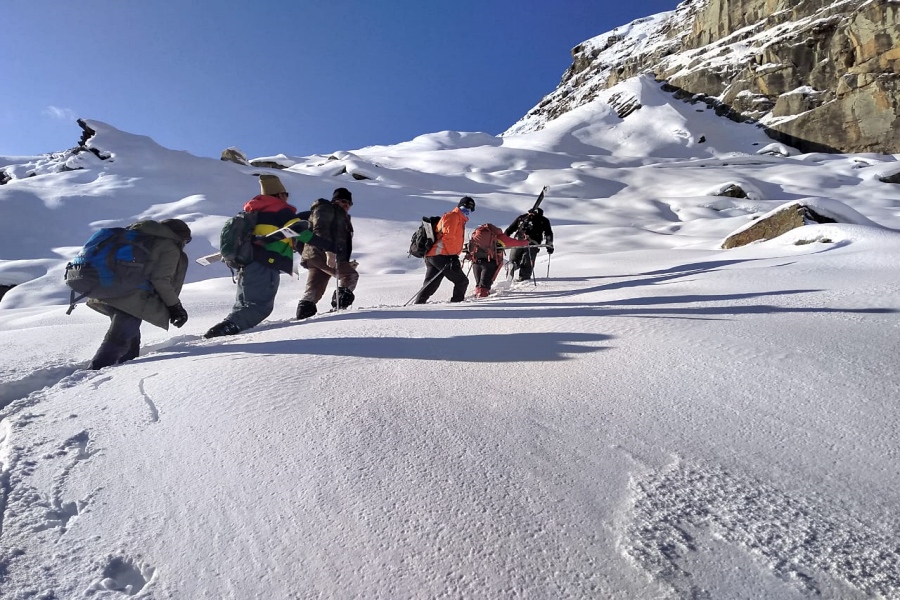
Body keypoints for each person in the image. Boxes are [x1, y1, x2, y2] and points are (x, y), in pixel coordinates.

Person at [87, 218, 192, 369]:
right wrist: (175, 307)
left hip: (107, 290)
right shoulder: (169, 246)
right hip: (132, 298)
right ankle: (92, 377)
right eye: (186, 241)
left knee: (130, 337)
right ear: (180, 236)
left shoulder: (140, 236)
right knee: (119, 339)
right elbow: (160, 280)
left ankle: (126, 371)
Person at [205, 174, 299, 338]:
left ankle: (226, 330)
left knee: (244, 304)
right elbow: (301, 231)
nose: (287, 198)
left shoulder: (254, 210)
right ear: (280, 194)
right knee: (259, 306)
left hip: (247, 264)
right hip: (266, 264)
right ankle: (222, 331)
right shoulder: (282, 210)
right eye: (286, 194)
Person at [295, 187, 359, 319]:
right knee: (350, 276)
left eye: (349, 203)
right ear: (335, 201)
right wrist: (329, 252)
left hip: (316, 255)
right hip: (324, 253)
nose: (346, 205)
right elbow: (320, 229)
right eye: (343, 201)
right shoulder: (326, 209)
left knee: (315, 287)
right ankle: (339, 307)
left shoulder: (341, 216)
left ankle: (304, 314)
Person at [413, 196, 475, 304]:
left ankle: (418, 304)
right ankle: (456, 305)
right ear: (459, 206)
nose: (468, 210)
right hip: (442, 255)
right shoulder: (453, 217)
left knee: (431, 284)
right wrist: (452, 256)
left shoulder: (459, 219)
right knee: (462, 281)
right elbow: (448, 238)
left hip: (435, 255)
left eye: (470, 208)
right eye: (465, 206)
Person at [465, 223, 529, 298]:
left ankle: (477, 296)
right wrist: (526, 241)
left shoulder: (476, 235)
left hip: (476, 262)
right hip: (490, 262)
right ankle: (482, 302)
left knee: (479, 283)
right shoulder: (498, 236)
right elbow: (515, 243)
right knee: (484, 285)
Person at [504, 207, 554, 281]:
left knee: (514, 260)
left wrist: (502, 241)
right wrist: (549, 246)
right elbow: (548, 234)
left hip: (517, 242)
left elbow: (510, 229)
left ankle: (512, 266)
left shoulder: (521, 218)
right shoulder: (543, 220)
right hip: (532, 244)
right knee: (527, 264)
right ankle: (523, 279)